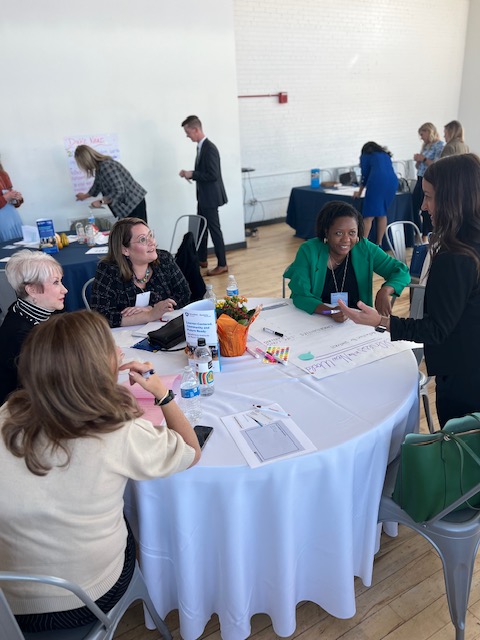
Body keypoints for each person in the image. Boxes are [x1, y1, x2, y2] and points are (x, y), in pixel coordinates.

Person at [0, 310, 201, 632]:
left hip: (7, 601)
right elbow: (190, 452)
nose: (121, 352)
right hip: (82, 598)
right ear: (97, 366)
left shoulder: (7, 412)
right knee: (134, 511)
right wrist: (162, 394)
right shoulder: (117, 429)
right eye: (112, 347)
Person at [338, 154, 480, 428]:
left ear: (453, 199)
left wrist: (379, 321)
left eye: (428, 196)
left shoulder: (455, 256)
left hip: (465, 378)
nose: (424, 207)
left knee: (464, 452)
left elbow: (435, 330)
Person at [284, 201, 410, 321]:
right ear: (326, 232)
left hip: (356, 323)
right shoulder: (309, 251)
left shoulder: (364, 249)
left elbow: (401, 271)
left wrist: (385, 290)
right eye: (338, 233)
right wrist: (330, 312)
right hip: (316, 319)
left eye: (352, 233)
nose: (346, 239)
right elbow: (300, 295)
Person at [91, 217, 190, 327]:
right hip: (124, 338)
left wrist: (151, 308)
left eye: (151, 235)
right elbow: (100, 316)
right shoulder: (109, 270)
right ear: (125, 250)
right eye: (143, 239)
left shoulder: (164, 260)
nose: (152, 242)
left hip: (164, 330)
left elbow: (184, 294)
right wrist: (150, 315)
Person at [0, 249, 67, 405]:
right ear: (32, 290)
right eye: (56, 282)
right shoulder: (21, 335)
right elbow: (48, 386)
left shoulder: (49, 309)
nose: (65, 289)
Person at [179, 115, 228, 276]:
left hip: (210, 198)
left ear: (196, 129)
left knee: (214, 230)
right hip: (203, 196)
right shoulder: (201, 147)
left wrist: (192, 173)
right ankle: (202, 259)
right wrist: (192, 174)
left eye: (188, 132)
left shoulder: (209, 148)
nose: (187, 136)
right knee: (201, 228)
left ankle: (222, 264)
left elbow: (213, 175)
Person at [74, 145, 148, 222]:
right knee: (127, 231)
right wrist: (85, 196)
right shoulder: (100, 168)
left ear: (85, 161)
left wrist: (101, 202)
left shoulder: (106, 166)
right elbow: (97, 185)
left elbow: (119, 190)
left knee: (137, 232)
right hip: (129, 205)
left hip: (133, 204)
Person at [353, 141, 399, 246]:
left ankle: (362, 244)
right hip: (392, 183)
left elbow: (364, 175)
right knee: (382, 213)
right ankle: (379, 243)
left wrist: (359, 193)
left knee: (369, 215)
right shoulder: (385, 155)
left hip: (377, 182)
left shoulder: (366, 156)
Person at [412, 122, 444, 240]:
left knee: (428, 207)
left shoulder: (439, 145)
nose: (421, 137)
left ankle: (427, 234)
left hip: (431, 179)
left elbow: (437, 164)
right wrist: (418, 161)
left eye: (422, 134)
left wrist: (424, 159)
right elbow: (418, 167)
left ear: (429, 132)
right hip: (420, 178)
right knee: (415, 205)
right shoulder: (425, 146)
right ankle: (419, 232)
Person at [0, 157, 24, 242]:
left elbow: (11, 200)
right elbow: (5, 197)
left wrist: (16, 198)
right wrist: (5, 198)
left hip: (13, 219)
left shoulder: (3, 174)